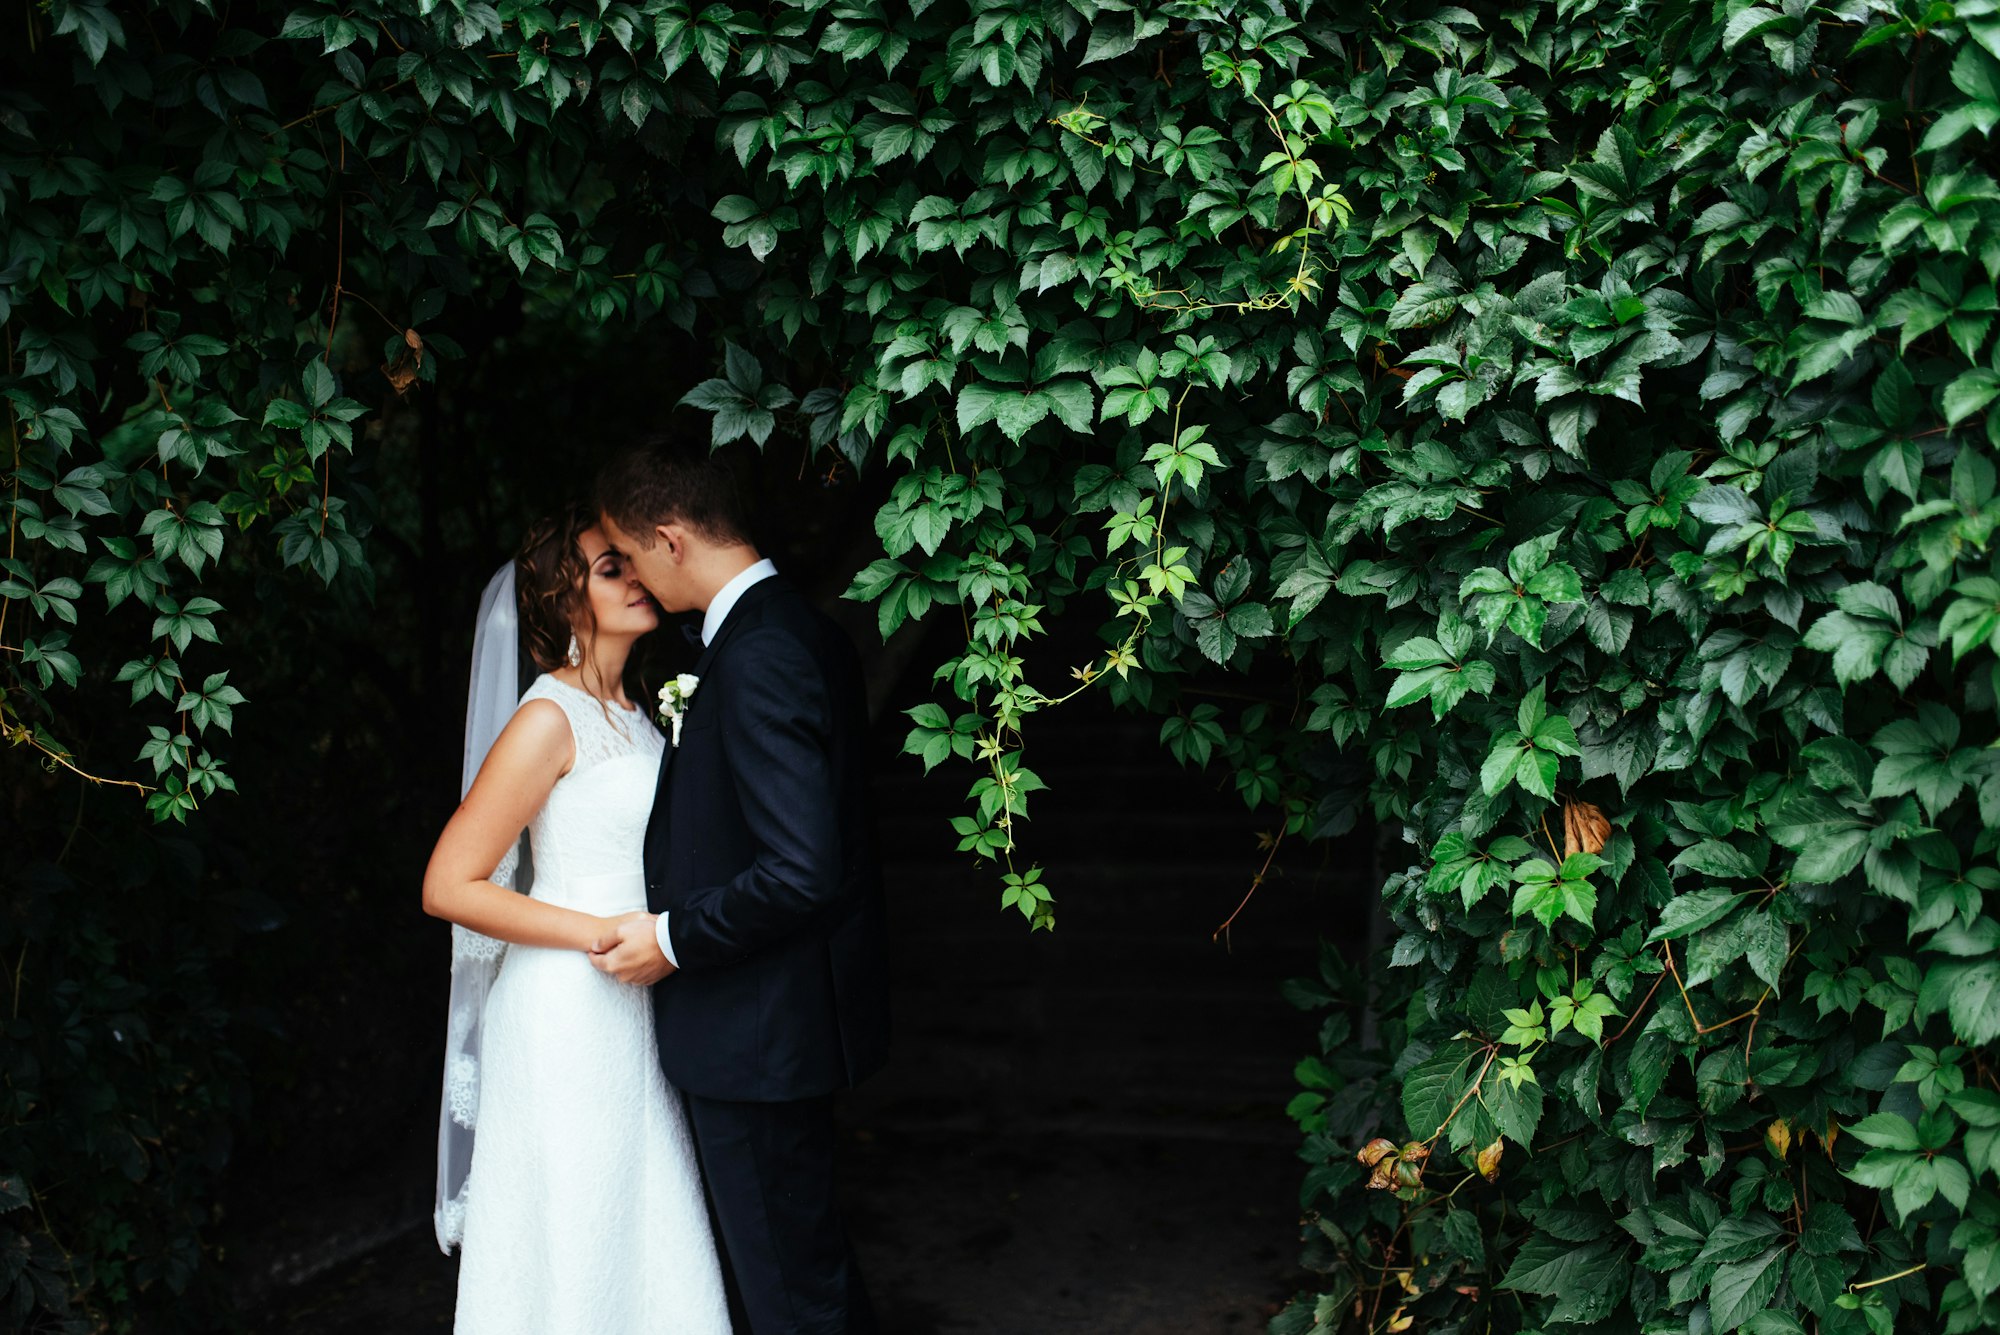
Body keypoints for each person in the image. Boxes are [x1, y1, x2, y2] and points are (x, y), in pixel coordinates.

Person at [589, 436, 891, 1335]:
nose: (637, 579)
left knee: (792, 1295)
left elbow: (801, 866)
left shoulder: (759, 653)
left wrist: (671, 936)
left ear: (671, 538)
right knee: (801, 1271)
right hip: (781, 1022)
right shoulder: (801, 630)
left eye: (634, 555)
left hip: (758, 1031)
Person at [423, 502, 732, 1335]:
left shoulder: (638, 712)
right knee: (576, 1231)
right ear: (565, 600)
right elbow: (450, 883)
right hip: (567, 1006)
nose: (635, 578)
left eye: (632, 561)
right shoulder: (544, 719)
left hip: (636, 999)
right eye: (609, 568)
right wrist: (598, 933)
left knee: (641, 1223)